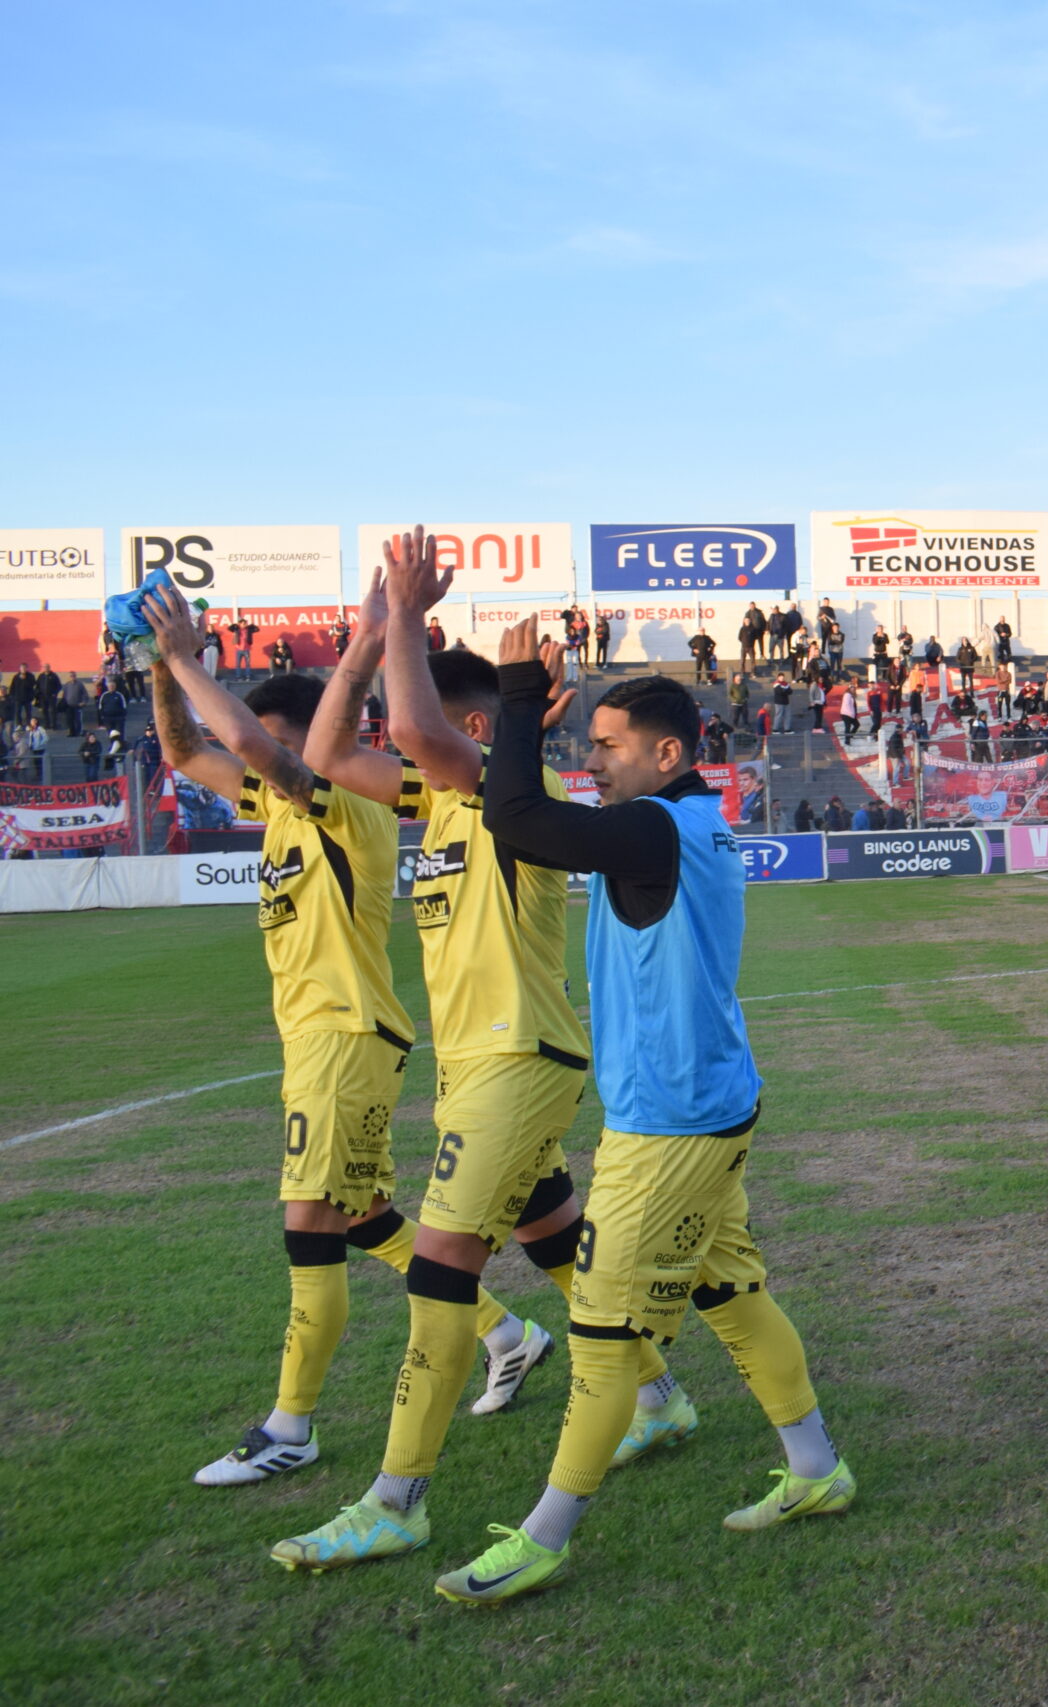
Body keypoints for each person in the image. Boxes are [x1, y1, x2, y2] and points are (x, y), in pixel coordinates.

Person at [435, 640, 854, 1604]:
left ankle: (545, 1536)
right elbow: (529, 811)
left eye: (610, 745)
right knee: (732, 1296)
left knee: (602, 1331)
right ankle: (816, 1466)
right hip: (693, 1104)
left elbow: (512, 816)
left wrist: (515, 698)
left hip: (671, 1124)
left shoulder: (656, 829)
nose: (593, 759)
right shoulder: (681, 820)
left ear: (667, 755)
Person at [136, 587, 533, 1495]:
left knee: (308, 1221)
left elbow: (242, 743)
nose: (257, 759)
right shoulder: (278, 804)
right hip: (318, 1037)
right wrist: (165, 667)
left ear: (292, 744)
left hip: (344, 1033)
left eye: (273, 744)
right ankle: (506, 1331)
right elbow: (187, 748)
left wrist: (192, 655)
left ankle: (291, 1426)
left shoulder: (336, 802)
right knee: (360, 1214)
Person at [261, 533, 606, 1572]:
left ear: (471, 727)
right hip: (478, 1064)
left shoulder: (505, 783)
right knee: (557, 1241)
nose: (400, 752)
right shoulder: (440, 799)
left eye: (424, 737)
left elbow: (407, 726)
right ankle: (661, 1397)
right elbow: (325, 758)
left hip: (516, 1057)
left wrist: (404, 615)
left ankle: (397, 1498)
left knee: (445, 1265)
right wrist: (367, 646)